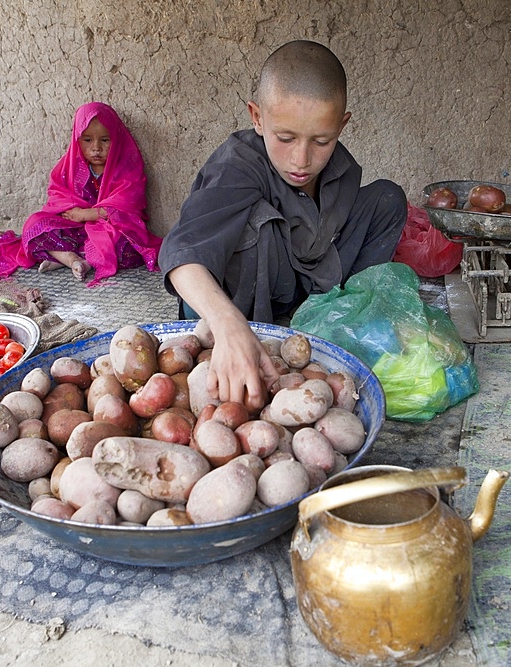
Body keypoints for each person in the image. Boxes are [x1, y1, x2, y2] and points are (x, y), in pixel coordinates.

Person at [158, 40, 407, 409]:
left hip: (305, 282)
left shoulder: (342, 169)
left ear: (343, 124)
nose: (301, 159)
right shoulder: (237, 164)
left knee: (388, 198)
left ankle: (335, 319)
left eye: (322, 140)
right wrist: (228, 326)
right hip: (237, 305)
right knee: (258, 223)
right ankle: (252, 342)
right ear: (257, 117)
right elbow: (182, 256)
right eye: (285, 138)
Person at [0, 102, 160, 284]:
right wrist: (73, 212)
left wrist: (88, 214)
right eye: (87, 140)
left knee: (130, 247)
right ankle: (70, 259)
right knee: (34, 226)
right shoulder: (71, 165)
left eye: (105, 140)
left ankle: (82, 261)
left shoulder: (125, 167)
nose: (96, 147)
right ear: (77, 139)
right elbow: (58, 195)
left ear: (117, 138)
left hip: (108, 228)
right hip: (75, 227)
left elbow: (129, 203)